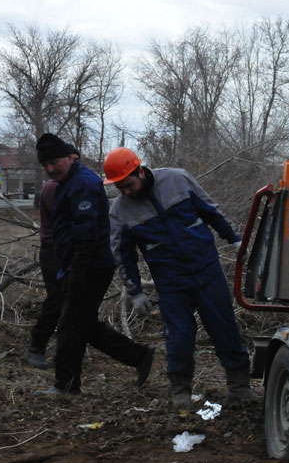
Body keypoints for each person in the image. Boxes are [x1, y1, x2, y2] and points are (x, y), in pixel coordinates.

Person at [103, 147, 259, 407]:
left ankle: (240, 388)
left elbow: (210, 211)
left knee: (224, 328)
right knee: (179, 336)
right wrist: (136, 292)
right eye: (120, 188)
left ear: (140, 171)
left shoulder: (177, 179)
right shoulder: (120, 212)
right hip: (171, 282)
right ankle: (181, 393)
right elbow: (123, 254)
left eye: (128, 184)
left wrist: (234, 240)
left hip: (207, 270)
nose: (126, 192)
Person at [34, 134, 154, 395]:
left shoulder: (84, 184)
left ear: (69, 157)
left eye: (54, 161)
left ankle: (66, 386)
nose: (50, 168)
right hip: (78, 264)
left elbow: (86, 233)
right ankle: (139, 356)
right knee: (82, 323)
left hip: (90, 266)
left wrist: (77, 271)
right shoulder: (67, 181)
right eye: (45, 165)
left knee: (69, 324)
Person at [26, 145, 79, 369]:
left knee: (72, 300)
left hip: (65, 250)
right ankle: (36, 347)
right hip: (53, 252)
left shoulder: (69, 185)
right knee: (56, 300)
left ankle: (69, 348)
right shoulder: (54, 189)